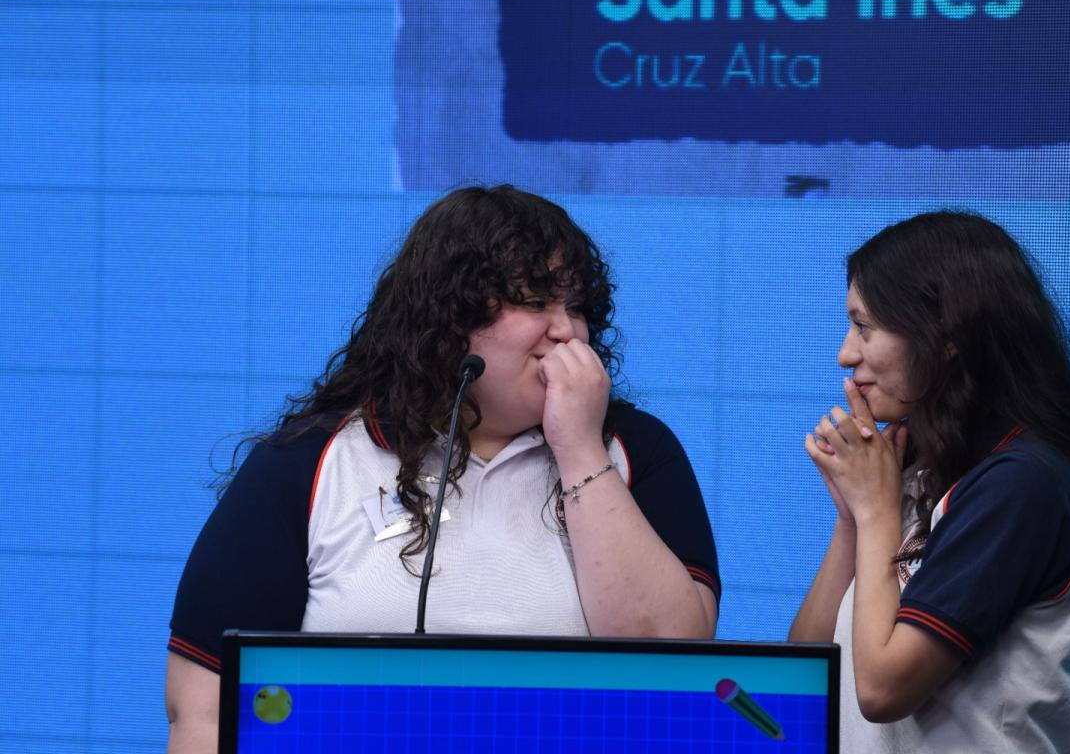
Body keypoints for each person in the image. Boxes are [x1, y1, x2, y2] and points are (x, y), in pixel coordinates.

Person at [165, 185, 720, 753]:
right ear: (449, 319)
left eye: (575, 306)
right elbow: (205, 712)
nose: (565, 331)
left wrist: (579, 447)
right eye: (535, 302)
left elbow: (676, 668)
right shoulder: (311, 460)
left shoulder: (634, 450)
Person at [788, 211, 1070, 752]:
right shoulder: (916, 469)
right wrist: (852, 521)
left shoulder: (1023, 483)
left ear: (945, 336)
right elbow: (804, 672)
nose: (845, 354)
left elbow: (882, 690)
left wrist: (876, 513)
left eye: (864, 327)